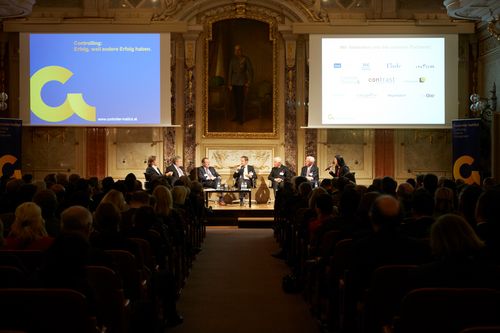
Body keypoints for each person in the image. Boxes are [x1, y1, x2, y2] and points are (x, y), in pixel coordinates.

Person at [228, 44, 253, 124]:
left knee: (241, 101)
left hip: (242, 83)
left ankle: (241, 118)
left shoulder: (246, 59)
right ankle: (236, 116)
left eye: (238, 50)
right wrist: (229, 84)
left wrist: (249, 82)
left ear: (241, 51)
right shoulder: (232, 60)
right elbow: (230, 72)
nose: (237, 51)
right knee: (235, 101)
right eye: (235, 50)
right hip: (234, 82)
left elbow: (250, 71)